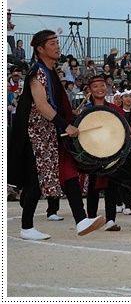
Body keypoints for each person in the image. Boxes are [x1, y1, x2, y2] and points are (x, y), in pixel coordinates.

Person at [7, 29, 105, 240]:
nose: (57, 46)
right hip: (36, 137)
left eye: (57, 42)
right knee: (35, 181)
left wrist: (70, 117)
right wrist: (65, 125)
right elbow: (41, 106)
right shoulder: (37, 73)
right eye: (52, 43)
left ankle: (81, 220)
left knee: (69, 173)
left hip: (51, 135)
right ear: (40, 49)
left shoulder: (50, 72)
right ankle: (26, 227)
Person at [82, 75, 121, 231]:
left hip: (112, 151)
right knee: (93, 185)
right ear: (90, 90)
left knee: (112, 185)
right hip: (93, 152)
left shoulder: (115, 109)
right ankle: (91, 218)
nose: (100, 89)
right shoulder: (85, 110)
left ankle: (110, 219)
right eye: (96, 86)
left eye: (102, 85)